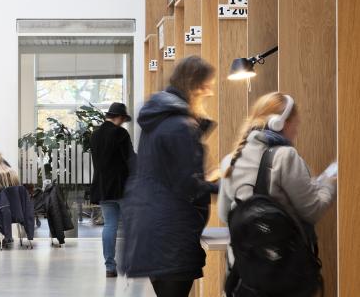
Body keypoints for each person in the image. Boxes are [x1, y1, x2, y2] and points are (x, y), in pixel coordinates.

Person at [218, 92, 337, 295]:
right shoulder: (285, 157)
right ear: (280, 123)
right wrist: (329, 181)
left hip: (244, 272)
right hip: (282, 270)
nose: (296, 132)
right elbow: (313, 210)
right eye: (295, 126)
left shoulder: (230, 160)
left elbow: (224, 214)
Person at [122, 56, 218, 297]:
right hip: (172, 231)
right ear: (194, 85)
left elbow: (169, 173)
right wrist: (226, 186)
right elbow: (188, 184)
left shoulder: (158, 120)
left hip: (153, 225)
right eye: (208, 84)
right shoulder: (179, 125)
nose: (210, 91)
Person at [89, 102, 134, 277]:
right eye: (123, 120)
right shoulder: (120, 133)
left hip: (103, 187)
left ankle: (110, 267)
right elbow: (130, 159)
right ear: (120, 117)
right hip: (123, 187)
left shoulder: (95, 135)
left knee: (110, 225)